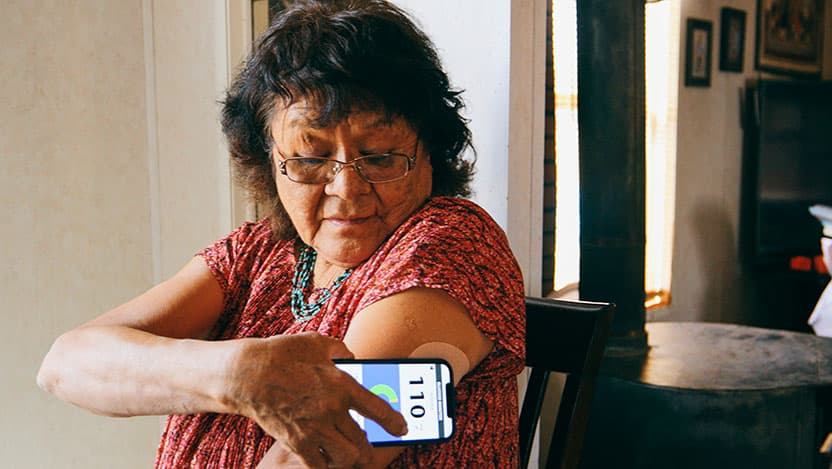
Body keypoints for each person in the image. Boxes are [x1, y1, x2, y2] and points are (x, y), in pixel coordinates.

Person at [37, 0, 525, 467]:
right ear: (267, 162)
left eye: (379, 156)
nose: (347, 189)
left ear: (431, 153)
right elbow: (66, 365)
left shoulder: (448, 246)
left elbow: (320, 454)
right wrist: (238, 374)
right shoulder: (259, 252)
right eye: (310, 159)